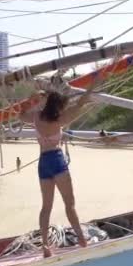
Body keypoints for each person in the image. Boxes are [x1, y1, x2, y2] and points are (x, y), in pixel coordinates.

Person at [20, 85, 96, 257]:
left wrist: (34, 97)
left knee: (46, 207)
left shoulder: (36, 117)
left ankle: (45, 246)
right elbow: (80, 104)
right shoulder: (61, 119)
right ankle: (82, 239)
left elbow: (21, 112)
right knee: (70, 205)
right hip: (57, 160)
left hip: (43, 162)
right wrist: (91, 88)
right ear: (58, 105)